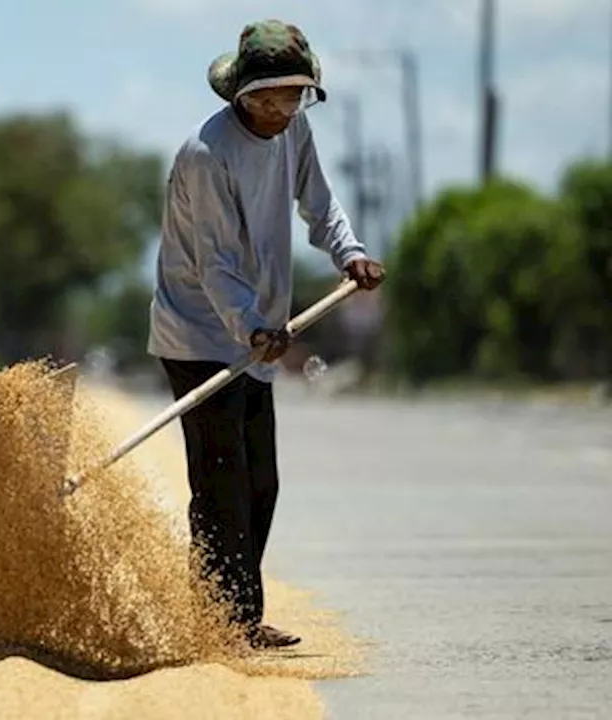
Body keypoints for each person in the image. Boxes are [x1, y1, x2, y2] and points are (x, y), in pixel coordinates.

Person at [147, 18, 386, 650]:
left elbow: (319, 201)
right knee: (222, 479)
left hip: (257, 332)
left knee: (261, 483)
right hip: (200, 335)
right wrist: (251, 325)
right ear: (238, 94)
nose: (278, 109)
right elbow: (215, 263)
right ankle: (226, 623)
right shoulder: (207, 155)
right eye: (265, 97)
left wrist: (349, 252)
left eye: (292, 95)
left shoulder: (293, 131)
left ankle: (232, 618)